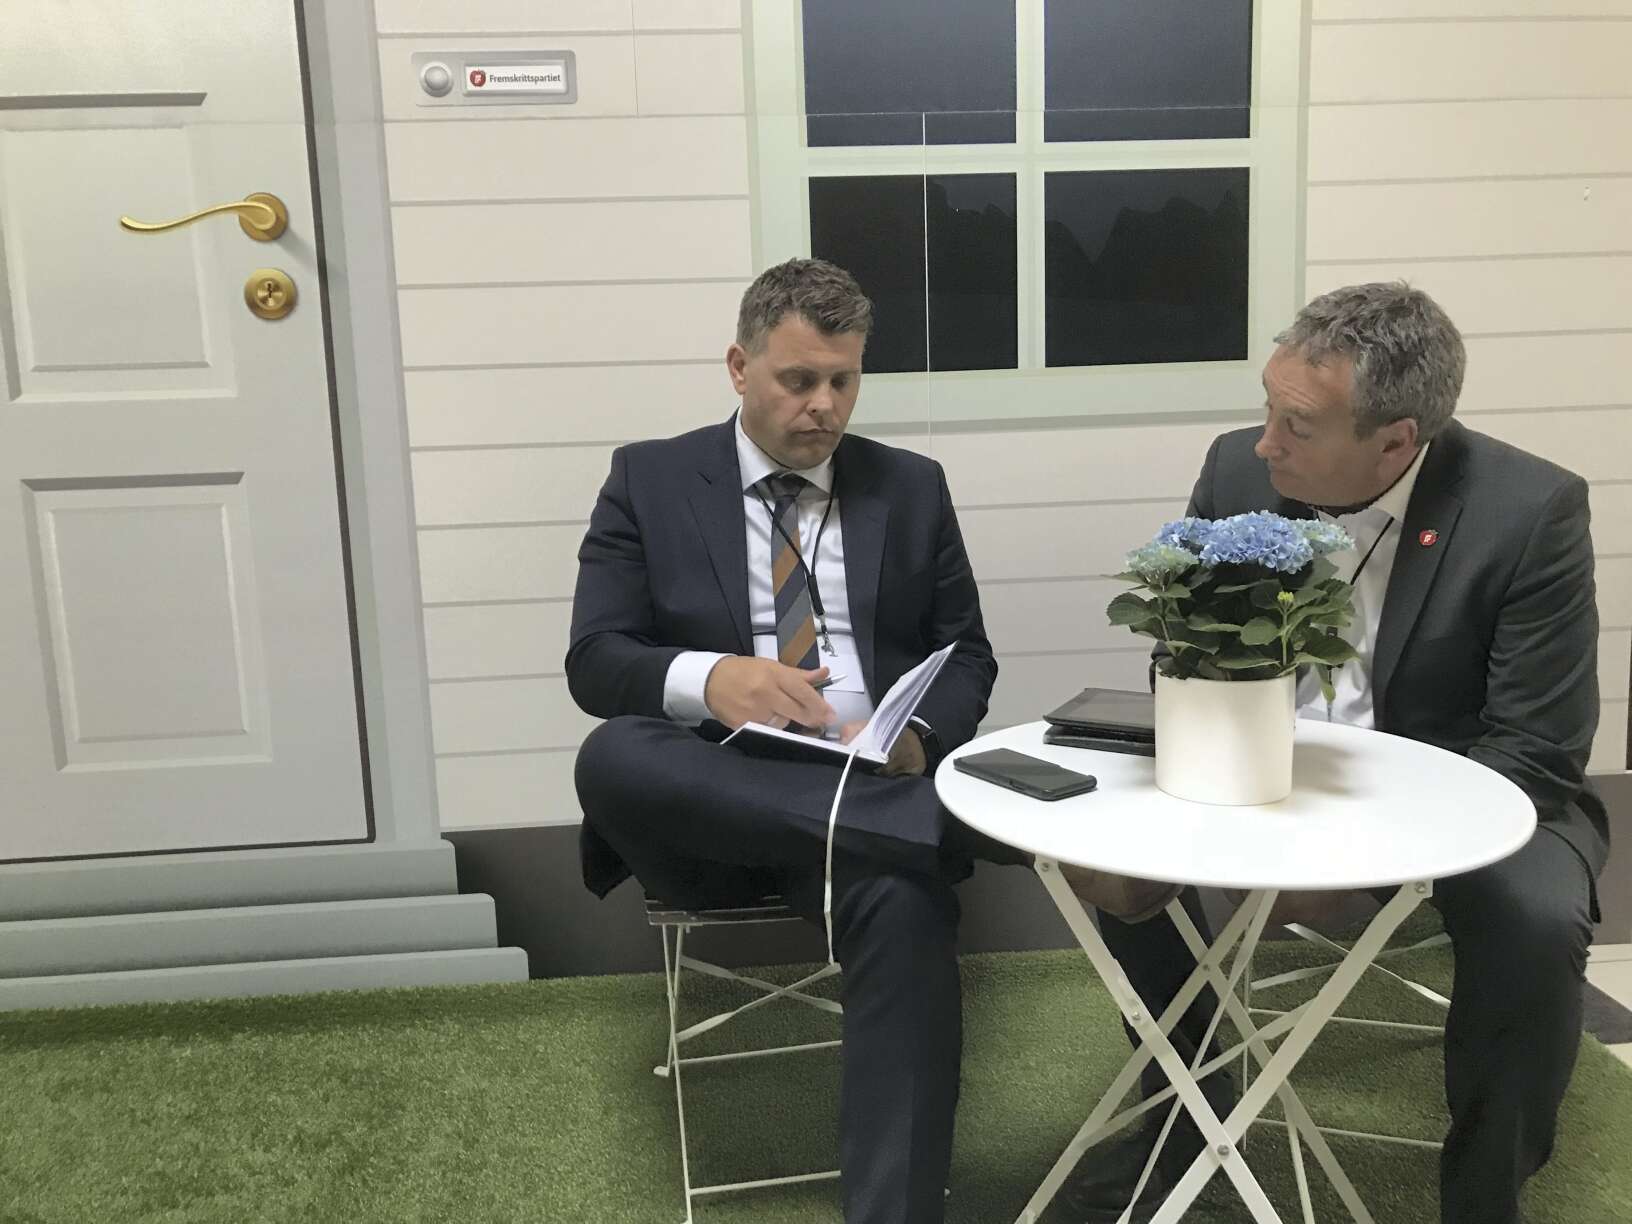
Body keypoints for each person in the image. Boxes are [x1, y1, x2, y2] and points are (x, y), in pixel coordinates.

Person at [1095, 282, 1606, 1224]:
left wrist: (1369, 860)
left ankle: (1485, 1192)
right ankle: (1189, 1109)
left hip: (1466, 794)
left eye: (1296, 425)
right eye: (1267, 407)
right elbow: (1184, 656)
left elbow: (1537, 749)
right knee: (1113, 856)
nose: (1265, 444)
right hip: (1267, 765)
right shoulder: (1238, 471)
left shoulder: (1529, 511)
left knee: (1535, 920)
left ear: (1397, 442)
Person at [567, 257, 1023, 1224]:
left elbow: (966, 655)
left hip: (866, 793)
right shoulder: (649, 478)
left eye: (843, 381)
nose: (824, 406)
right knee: (611, 755)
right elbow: (596, 662)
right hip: (713, 802)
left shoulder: (910, 487)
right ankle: (951, 827)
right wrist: (713, 679)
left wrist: (915, 740)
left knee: (904, 907)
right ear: (740, 367)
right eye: (798, 379)